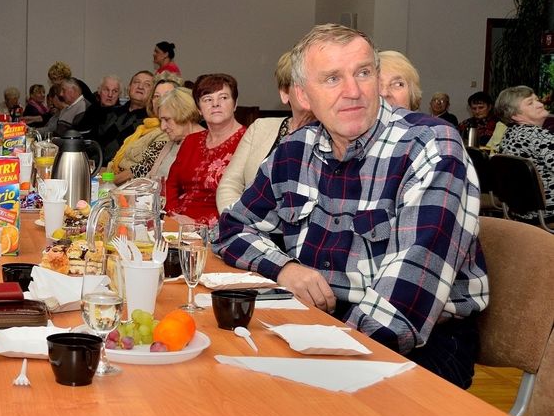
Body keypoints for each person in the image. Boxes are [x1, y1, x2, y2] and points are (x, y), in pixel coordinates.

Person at [215, 24, 488, 388]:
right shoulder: (296, 149)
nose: (353, 91)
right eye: (331, 78)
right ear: (303, 95)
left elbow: (405, 302)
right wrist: (285, 269)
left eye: (363, 73)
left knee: (267, 405)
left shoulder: (430, 146)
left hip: (420, 342)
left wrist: (319, 361)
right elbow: (231, 229)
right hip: (322, 326)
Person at [215, 51, 315, 212]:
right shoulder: (260, 128)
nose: (310, 90)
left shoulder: (335, 137)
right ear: (284, 93)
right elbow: (230, 184)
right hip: (247, 227)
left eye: (318, 82)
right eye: (300, 84)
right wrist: (237, 223)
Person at [164, 73, 245, 224]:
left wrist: (198, 225)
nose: (215, 104)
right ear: (199, 109)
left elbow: (247, 200)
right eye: (207, 99)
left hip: (222, 229)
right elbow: (171, 185)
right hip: (177, 225)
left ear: (235, 104)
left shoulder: (248, 141)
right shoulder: (191, 141)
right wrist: (174, 217)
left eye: (223, 97)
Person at [495, 85, 554, 223]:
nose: (540, 104)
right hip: (547, 210)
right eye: (530, 103)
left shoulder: (509, 135)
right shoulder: (539, 136)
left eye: (537, 100)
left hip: (521, 211)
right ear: (515, 114)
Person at [109, 75, 180, 184]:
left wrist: (108, 182)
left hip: (132, 188)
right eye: (156, 96)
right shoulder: (145, 127)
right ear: (151, 101)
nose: (160, 100)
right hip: (117, 180)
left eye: (166, 95)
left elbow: (144, 168)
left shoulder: (169, 131)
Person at [150, 87, 204, 181]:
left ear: (185, 114)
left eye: (167, 120)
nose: (162, 127)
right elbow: (150, 178)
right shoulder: (172, 143)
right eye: (161, 120)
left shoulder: (206, 147)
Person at [101, 70, 155, 158]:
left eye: (147, 84)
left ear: (153, 93)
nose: (140, 87)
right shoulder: (110, 113)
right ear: (129, 87)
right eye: (136, 82)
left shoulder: (151, 122)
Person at [74, 74, 122, 146]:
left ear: (119, 94)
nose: (110, 95)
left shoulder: (122, 115)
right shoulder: (92, 110)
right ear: (99, 91)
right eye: (106, 90)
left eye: (115, 91)